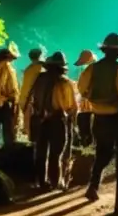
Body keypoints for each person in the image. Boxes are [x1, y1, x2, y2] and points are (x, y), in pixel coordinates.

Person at [78, 32, 118, 215]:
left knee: (102, 152)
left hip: (98, 116)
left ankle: (93, 185)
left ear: (104, 50)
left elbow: (81, 89)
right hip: (117, 117)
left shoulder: (91, 69)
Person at [28, 51, 77, 190]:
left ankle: (41, 182)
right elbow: (70, 105)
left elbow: (33, 99)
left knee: (41, 151)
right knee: (57, 152)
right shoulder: (65, 82)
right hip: (58, 119)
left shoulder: (39, 79)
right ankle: (55, 181)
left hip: (40, 119)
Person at [19, 48, 45, 141]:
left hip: (24, 99)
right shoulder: (41, 69)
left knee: (29, 126)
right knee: (36, 127)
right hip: (34, 100)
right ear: (40, 55)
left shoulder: (28, 68)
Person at [74, 50, 98, 147]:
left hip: (87, 105)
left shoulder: (89, 70)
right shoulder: (97, 69)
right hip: (96, 106)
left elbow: (81, 87)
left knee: (85, 127)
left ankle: (86, 146)